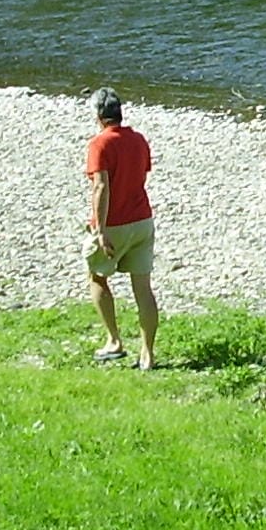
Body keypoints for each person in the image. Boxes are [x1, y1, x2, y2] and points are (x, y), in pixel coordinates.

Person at [84, 87, 158, 369]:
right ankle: (148, 354)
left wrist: (100, 230)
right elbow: (140, 175)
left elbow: (101, 186)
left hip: (114, 224)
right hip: (142, 220)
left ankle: (114, 341)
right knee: (143, 288)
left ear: (99, 116)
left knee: (97, 278)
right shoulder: (138, 140)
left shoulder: (99, 145)